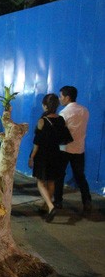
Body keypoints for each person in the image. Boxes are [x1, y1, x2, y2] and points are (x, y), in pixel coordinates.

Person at [28, 94, 67, 222]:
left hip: (43, 155)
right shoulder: (61, 119)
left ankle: (50, 206)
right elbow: (64, 139)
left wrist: (31, 157)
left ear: (45, 105)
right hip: (56, 154)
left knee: (40, 182)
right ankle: (46, 205)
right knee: (51, 181)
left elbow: (37, 143)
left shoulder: (42, 121)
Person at [53, 86, 91, 214]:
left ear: (67, 97)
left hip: (65, 149)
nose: (60, 99)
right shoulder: (85, 111)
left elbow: (61, 133)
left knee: (59, 175)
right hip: (79, 148)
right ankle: (87, 201)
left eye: (61, 96)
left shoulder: (63, 113)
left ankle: (58, 202)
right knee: (80, 177)